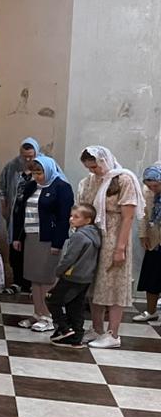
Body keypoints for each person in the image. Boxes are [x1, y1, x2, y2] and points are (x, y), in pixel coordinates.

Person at [78, 146, 143, 348]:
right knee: (94, 283)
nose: (93, 171)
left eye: (96, 167)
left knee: (114, 284)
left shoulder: (123, 179)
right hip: (94, 237)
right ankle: (96, 328)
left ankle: (113, 333)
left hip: (115, 236)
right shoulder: (89, 181)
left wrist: (120, 247)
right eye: (89, 168)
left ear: (105, 161)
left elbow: (128, 216)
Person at [12, 156, 73, 333]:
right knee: (33, 277)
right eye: (35, 172)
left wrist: (58, 242)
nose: (37, 176)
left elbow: (64, 218)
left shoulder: (61, 187)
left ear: (49, 170)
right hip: (31, 236)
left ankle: (49, 316)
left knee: (46, 278)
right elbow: (20, 212)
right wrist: (17, 237)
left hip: (48, 238)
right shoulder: (31, 186)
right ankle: (38, 312)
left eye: (40, 172)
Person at [49, 203, 102, 348]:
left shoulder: (79, 236)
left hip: (71, 276)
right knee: (75, 306)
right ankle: (77, 337)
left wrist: (58, 271)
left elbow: (69, 258)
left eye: (76, 217)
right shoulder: (95, 234)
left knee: (53, 300)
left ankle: (65, 329)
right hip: (85, 278)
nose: (71, 219)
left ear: (88, 220)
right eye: (71, 216)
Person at [0, 137, 40, 294]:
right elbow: (2, 187)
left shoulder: (43, 165)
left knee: (32, 248)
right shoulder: (12, 166)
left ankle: (31, 283)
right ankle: (17, 281)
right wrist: (4, 206)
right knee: (16, 246)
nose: (28, 159)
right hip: (17, 213)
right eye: (25, 156)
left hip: (35, 216)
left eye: (31, 156)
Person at [133, 163, 161, 323]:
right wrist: (143, 235)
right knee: (152, 276)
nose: (152, 189)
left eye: (156, 186)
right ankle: (151, 311)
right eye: (149, 186)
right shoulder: (147, 193)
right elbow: (144, 214)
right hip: (155, 239)